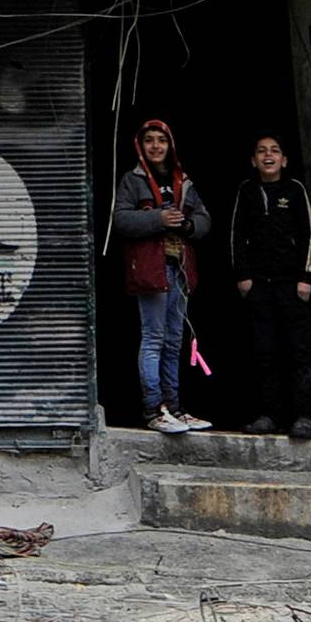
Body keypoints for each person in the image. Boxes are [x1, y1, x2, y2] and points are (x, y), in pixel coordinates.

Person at [114, 116, 212, 435]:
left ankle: (176, 408)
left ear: (170, 145)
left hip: (180, 268)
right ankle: (154, 409)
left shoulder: (184, 180)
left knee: (174, 341)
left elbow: (204, 219)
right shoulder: (133, 180)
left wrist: (187, 225)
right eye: (149, 140)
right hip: (151, 269)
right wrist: (159, 219)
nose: (156, 146)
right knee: (153, 338)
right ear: (140, 146)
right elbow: (120, 220)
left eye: (162, 140)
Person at [228, 133, 311, 438]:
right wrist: (243, 275)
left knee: (299, 350)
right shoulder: (247, 191)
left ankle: (304, 417)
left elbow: (309, 234)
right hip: (259, 285)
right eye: (261, 151)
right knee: (264, 351)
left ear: (284, 160)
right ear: (253, 160)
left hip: (292, 285)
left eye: (275, 151)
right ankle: (269, 415)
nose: (268, 155)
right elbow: (236, 236)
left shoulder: (294, 190)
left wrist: (306, 278)